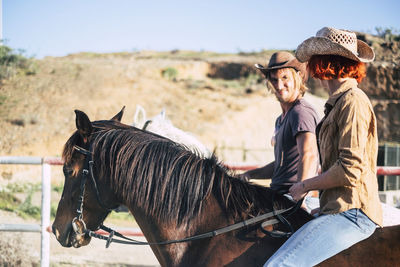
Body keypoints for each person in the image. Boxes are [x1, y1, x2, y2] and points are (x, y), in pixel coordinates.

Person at [264, 27, 383, 267]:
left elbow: (350, 170)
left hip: (353, 213)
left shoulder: (353, 102)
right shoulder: (337, 104)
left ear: (324, 63)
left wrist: (304, 186)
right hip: (336, 210)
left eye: (315, 59)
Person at [241, 51, 320, 211]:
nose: (279, 85)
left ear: (297, 78)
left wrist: (301, 196)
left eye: (285, 78)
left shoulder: (301, 112)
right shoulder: (281, 119)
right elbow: (281, 164)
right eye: (274, 79)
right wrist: (250, 175)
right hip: (278, 194)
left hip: (295, 198)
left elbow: (309, 154)